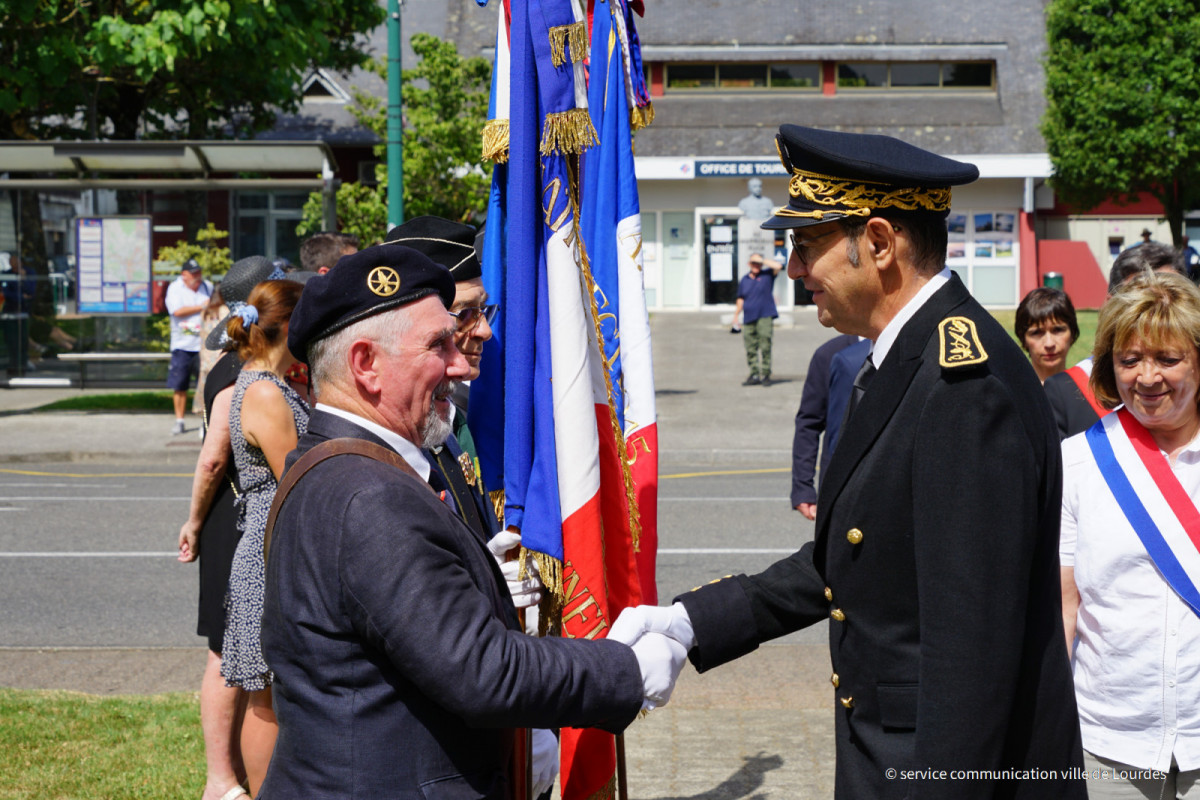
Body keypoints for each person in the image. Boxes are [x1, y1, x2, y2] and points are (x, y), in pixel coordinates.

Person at [611, 124, 1085, 799]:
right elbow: (859, 559)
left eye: (806, 246)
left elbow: (971, 665)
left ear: (882, 244)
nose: (796, 269)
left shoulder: (964, 390)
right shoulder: (907, 360)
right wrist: (692, 623)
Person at [259, 244, 676, 799]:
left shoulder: (339, 465)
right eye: (438, 345)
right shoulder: (369, 495)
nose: (459, 364)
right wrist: (626, 669)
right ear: (366, 364)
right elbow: (482, 671)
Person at [1060, 270, 1200, 797]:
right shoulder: (1077, 462)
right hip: (1106, 740)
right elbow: (1064, 606)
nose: (1146, 378)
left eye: (1169, 358)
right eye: (1129, 360)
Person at [177, 255, 293, 800]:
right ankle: (224, 779)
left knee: (249, 667)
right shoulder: (247, 380)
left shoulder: (241, 369)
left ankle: (235, 777)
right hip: (247, 523)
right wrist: (195, 523)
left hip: (245, 517)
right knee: (239, 661)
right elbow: (213, 460)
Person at [219, 279, 309, 796]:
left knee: (267, 689)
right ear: (290, 325)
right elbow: (293, 477)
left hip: (266, 540)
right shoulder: (265, 392)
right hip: (268, 547)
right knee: (266, 693)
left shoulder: (262, 382)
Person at [1045, 241, 1184, 440]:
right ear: (1111, 306)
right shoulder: (1067, 393)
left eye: (1174, 297)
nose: (1158, 312)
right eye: (1139, 300)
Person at [790, 333, 861, 520]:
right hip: (837, 487)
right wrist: (802, 487)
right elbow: (809, 422)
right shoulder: (830, 354)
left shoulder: (906, 348)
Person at [165, 258, 214, 435]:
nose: (197, 277)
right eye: (193, 274)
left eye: (199, 273)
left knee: (206, 386)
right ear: (184, 275)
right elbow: (176, 311)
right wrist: (201, 306)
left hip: (203, 346)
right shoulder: (175, 288)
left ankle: (205, 422)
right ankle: (179, 420)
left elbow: (214, 307)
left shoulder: (207, 286)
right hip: (183, 345)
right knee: (180, 385)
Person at [732, 252, 782, 386]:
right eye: (753, 263)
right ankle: (754, 374)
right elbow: (740, 298)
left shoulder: (767, 276)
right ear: (749, 264)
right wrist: (736, 315)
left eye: (758, 263)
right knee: (750, 347)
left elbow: (778, 266)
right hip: (748, 317)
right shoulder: (744, 280)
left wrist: (762, 260)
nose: (756, 265)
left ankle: (765, 374)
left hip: (764, 316)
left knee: (765, 345)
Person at [1014, 287, 1079, 383]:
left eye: (1058, 330)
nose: (1049, 344)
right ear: (1023, 340)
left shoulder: (1088, 391)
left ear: (1072, 334)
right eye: (1036, 333)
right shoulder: (1013, 394)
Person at [194, 287, 229, 415]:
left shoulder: (205, 312)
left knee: (205, 388)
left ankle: (203, 420)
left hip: (205, 355)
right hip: (219, 355)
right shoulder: (224, 310)